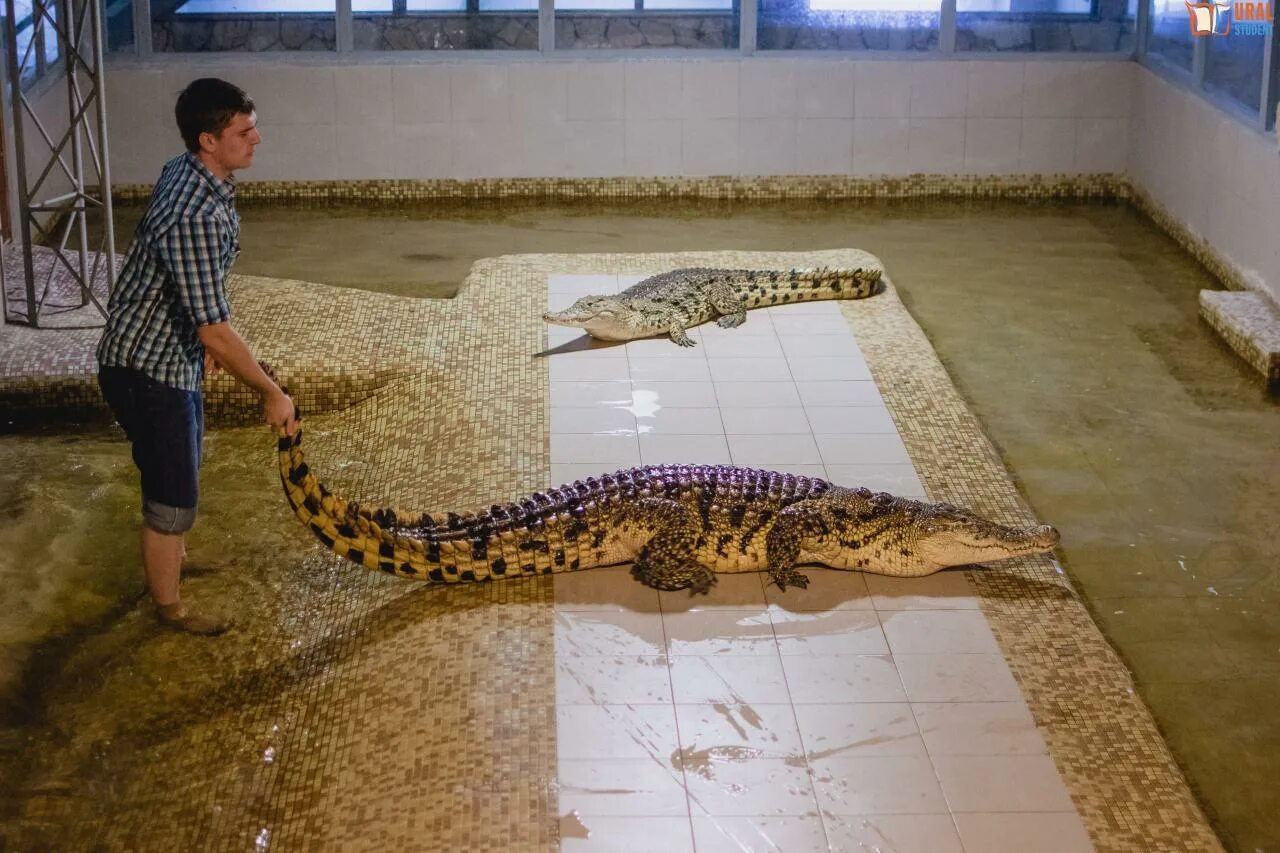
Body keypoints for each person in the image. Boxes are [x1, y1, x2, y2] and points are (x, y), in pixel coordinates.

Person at [97, 78, 297, 635]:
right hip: (146, 370)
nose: (257, 138)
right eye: (243, 131)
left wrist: (200, 337)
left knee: (178, 470)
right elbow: (215, 328)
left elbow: (188, 291)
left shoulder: (186, 170)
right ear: (209, 139)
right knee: (172, 495)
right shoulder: (196, 215)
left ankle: (174, 563)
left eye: (253, 125)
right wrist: (271, 392)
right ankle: (169, 611)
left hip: (162, 356)